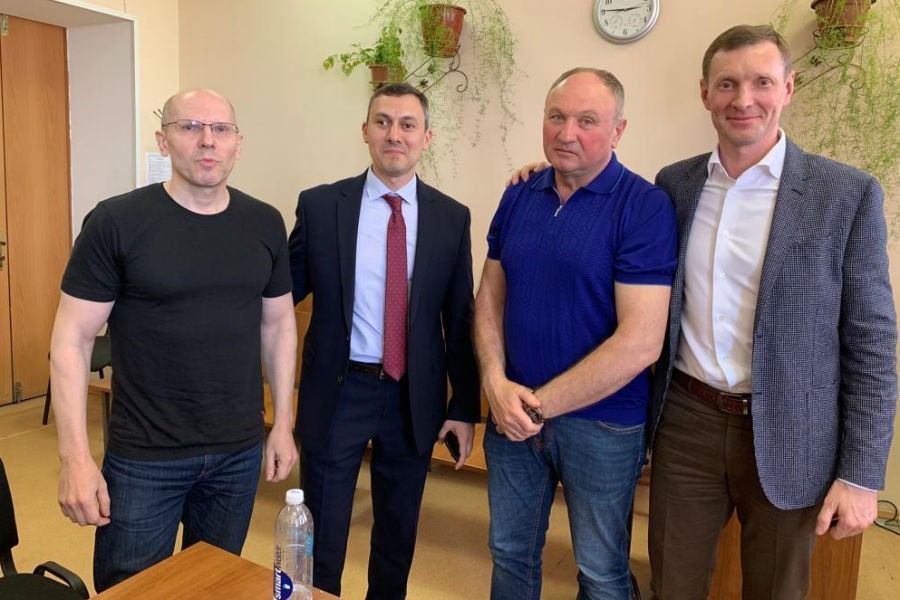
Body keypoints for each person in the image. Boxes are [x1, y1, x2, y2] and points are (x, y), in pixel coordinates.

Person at [647, 25, 897, 599]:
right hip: (687, 420)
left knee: (777, 591)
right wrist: (546, 176)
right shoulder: (675, 185)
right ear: (705, 93)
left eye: (761, 82)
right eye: (727, 84)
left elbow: (872, 342)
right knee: (672, 585)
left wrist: (861, 474)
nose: (743, 99)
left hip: (794, 430)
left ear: (788, 87)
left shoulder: (846, 194)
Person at [50, 89, 299, 592]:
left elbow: (277, 325)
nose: (207, 141)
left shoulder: (265, 222)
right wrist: (74, 457)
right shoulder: (116, 221)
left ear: (237, 144)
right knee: (133, 590)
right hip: (145, 456)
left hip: (236, 451)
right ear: (164, 141)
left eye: (220, 129)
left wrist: (284, 426)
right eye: (190, 127)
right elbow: (72, 339)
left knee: (214, 585)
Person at [474, 68, 677, 600]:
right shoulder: (520, 192)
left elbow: (641, 342)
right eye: (557, 117)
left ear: (618, 130)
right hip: (512, 412)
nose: (568, 133)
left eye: (588, 121)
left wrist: (537, 406)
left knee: (601, 571)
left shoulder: (644, 207)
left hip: (602, 425)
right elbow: (490, 296)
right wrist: (495, 382)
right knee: (510, 555)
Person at [288, 82, 480, 600]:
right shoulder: (321, 206)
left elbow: (459, 318)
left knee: (397, 532)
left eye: (408, 124)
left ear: (426, 137)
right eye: (383, 122)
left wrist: (463, 406)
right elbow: (280, 296)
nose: (395, 134)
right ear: (366, 131)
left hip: (411, 396)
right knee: (322, 532)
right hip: (339, 390)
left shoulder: (450, 217)